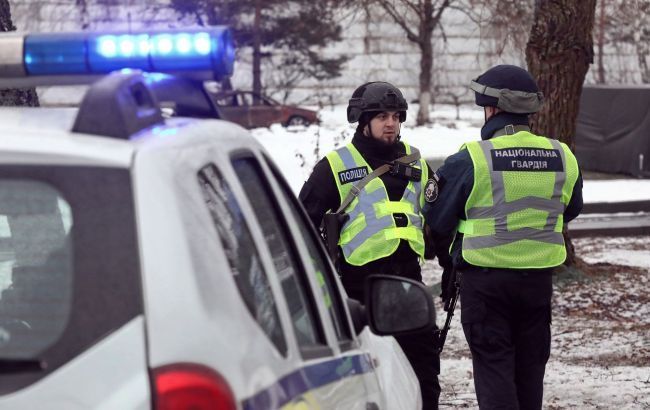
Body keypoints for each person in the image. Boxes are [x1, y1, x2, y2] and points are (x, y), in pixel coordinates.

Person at [423, 64, 583, 409]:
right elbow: (570, 209)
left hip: (486, 283)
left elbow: (437, 217)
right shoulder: (562, 155)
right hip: (538, 282)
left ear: (492, 110)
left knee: (494, 367)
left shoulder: (473, 159)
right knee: (530, 371)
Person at [299, 81, 442, 409]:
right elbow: (301, 224)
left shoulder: (417, 165)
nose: (391, 123)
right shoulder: (335, 166)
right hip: (357, 294)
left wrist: (452, 264)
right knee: (364, 383)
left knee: (423, 377)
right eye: (381, 117)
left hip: (408, 285)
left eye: (396, 116)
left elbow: (439, 218)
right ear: (363, 120)